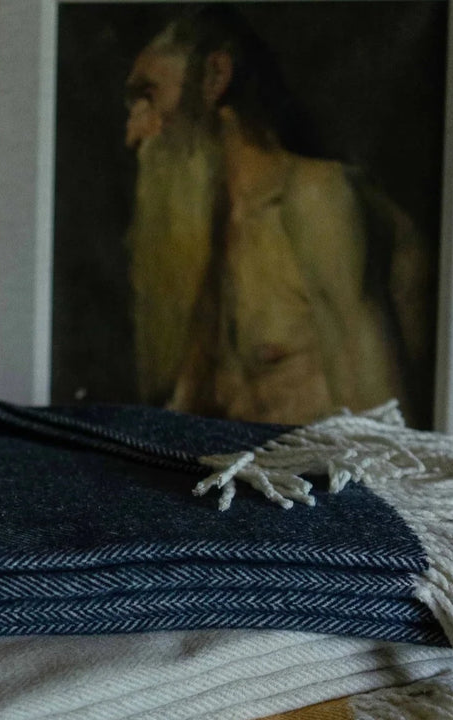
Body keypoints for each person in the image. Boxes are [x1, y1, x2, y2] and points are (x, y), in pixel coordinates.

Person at [124, 8, 433, 427]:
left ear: (215, 77)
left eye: (148, 96)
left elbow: (386, 446)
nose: (134, 133)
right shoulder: (210, 236)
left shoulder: (315, 199)